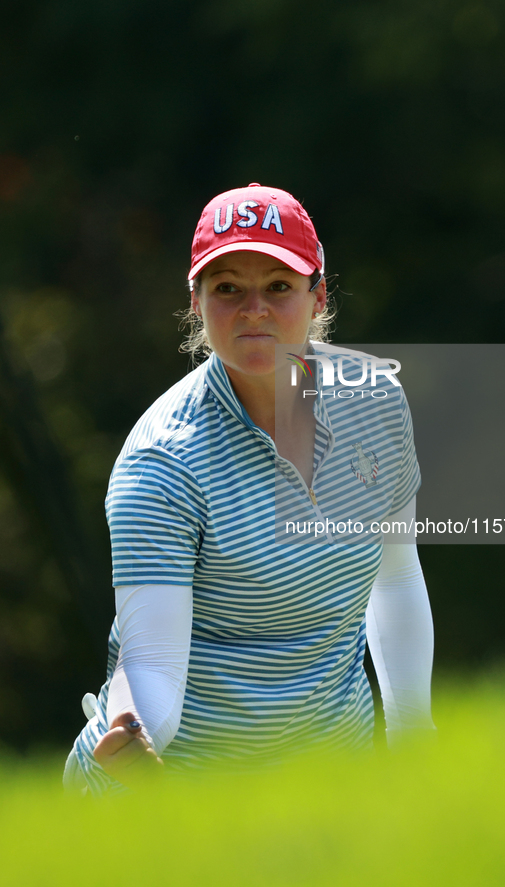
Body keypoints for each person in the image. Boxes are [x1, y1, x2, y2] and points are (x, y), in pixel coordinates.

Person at [64, 183, 435, 795]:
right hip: (169, 791)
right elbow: (151, 661)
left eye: (278, 287)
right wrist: (134, 732)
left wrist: (416, 740)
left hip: (332, 779)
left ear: (317, 297)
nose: (253, 308)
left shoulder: (377, 401)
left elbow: (394, 577)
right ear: (196, 300)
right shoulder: (164, 460)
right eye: (228, 288)